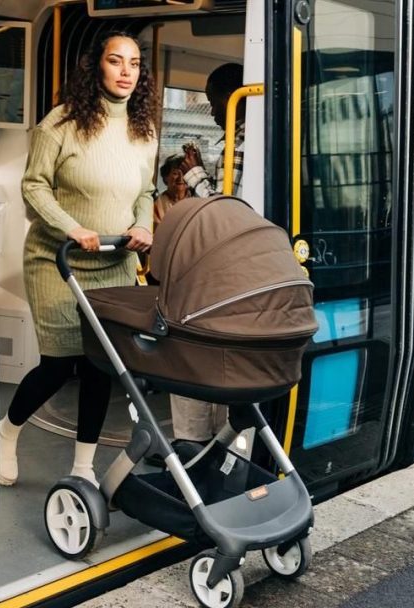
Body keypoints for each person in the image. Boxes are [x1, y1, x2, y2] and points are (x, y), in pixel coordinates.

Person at [0, 32, 160, 488]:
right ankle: (8, 432)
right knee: (59, 365)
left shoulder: (143, 131)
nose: (127, 71)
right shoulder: (60, 124)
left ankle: (82, 467)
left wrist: (143, 227)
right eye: (116, 61)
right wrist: (72, 228)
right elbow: (34, 187)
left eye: (134, 63)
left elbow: (146, 192)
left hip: (115, 262)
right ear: (98, 68)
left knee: (98, 366)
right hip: (59, 259)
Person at [165, 63, 247, 446]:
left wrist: (196, 175)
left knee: (188, 354)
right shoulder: (240, 143)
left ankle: (191, 445)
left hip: (225, 274)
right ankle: (216, 445)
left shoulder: (243, 147)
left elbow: (227, 214)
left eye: (215, 103)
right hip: (238, 274)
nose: (213, 112)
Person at [179, 62, 245, 198]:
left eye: (214, 103)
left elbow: (222, 209)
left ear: (230, 99)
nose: (213, 112)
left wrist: (194, 173)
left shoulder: (239, 143)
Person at [153, 153, 190, 226]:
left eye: (185, 173)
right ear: (166, 177)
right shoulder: (156, 205)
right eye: (175, 173)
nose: (181, 178)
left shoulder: (196, 202)